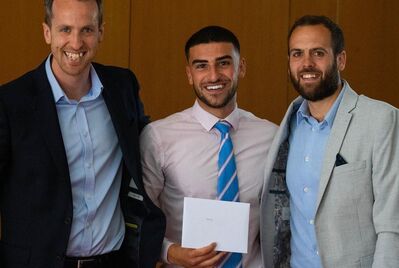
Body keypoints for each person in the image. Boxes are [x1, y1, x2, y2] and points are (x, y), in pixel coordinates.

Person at [0, 0, 165, 267]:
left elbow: (150, 149)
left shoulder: (122, 87)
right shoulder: (10, 102)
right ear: (47, 32)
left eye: (86, 30)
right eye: (65, 29)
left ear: (101, 32)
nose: (76, 43)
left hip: (115, 261)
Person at [260, 15, 399, 268]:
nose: (306, 63)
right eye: (297, 54)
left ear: (340, 59)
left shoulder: (381, 120)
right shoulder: (287, 126)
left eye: (318, 53)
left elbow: (392, 222)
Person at [140, 25, 277, 267]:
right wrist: (169, 252)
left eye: (223, 63)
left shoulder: (271, 137)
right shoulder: (158, 137)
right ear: (189, 74)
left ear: (241, 67)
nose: (213, 76)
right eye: (201, 65)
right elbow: (138, 215)